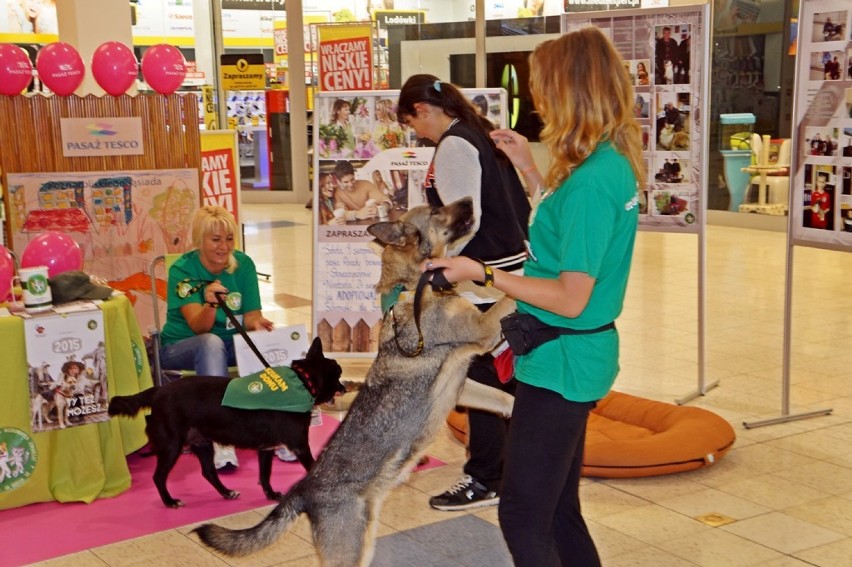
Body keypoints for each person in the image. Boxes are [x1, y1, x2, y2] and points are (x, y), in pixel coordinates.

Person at [423, 27, 643, 566]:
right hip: (568, 356)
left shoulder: (594, 180)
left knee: (523, 513)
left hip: (563, 361)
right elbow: (571, 235)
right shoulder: (604, 162)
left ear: (572, 90)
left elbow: (570, 295)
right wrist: (528, 170)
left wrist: (484, 273)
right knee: (559, 509)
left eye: (545, 88)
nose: (538, 101)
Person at [397, 74, 531, 511]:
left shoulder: (455, 143)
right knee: (500, 372)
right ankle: (509, 473)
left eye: (412, 124)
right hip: (507, 268)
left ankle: (485, 478)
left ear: (422, 110)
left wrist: (440, 267)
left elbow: (463, 220)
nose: (417, 134)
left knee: (477, 376)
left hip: (480, 276)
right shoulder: (479, 132)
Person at [159, 205, 274, 470]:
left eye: (229, 239)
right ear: (199, 241)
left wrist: (259, 325)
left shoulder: (243, 264)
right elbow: (200, 328)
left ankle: (274, 433)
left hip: (230, 342)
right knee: (211, 343)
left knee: (268, 341)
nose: (224, 247)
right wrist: (210, 304)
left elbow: (251, 316)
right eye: (215, 240)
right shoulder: (182, 270)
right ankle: (221, 438)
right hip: (182, 345)